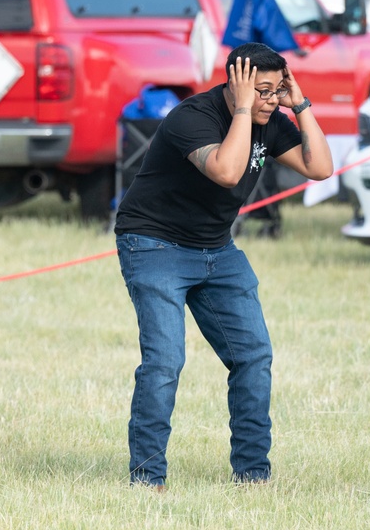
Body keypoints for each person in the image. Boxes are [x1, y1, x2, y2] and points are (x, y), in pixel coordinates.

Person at [114, 42, 333, 489]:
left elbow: (321, 168)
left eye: (277, 91)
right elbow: (227, 171)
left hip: (216, 248)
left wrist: (301, 103)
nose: (270, 101)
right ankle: (147, 478)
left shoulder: (270, 118)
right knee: (165, 361)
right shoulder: (191, 118)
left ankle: (253, 475)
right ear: (235, 84)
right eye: (262, 91)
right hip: (154, 245)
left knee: (254, 355)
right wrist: (243, 110)